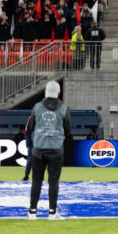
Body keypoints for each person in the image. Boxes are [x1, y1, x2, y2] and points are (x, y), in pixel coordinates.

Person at [27, 81, 71, 219]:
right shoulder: (64, 108)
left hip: (38, 148)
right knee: (53, 181)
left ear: (45, 91)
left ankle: (32, 211)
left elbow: (32, 126)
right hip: (56, 149)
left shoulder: (37, 107)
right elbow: (68, 129)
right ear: (58, 93)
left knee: (36, 181)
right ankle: (52, 212)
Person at [21, 112, 34, 181]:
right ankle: (26, 175)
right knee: (30, 160)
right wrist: (28, 143)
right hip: (33, 143)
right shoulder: (31, 118)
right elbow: (27, 131)